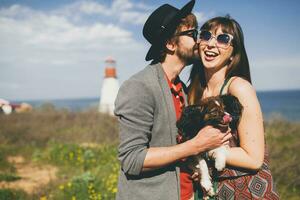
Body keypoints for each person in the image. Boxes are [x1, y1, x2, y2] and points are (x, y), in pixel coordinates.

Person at [114, 1, 232, 200]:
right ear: (170, 43)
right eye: (192, 34)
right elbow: (132, 160)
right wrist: (196, 145)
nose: (199, 42)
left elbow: (174, 147)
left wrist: (191, 164)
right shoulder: (139, 87)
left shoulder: (182, 90)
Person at [188, 15, 280, 199]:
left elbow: (253, 159)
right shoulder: (194, 91)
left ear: (233, 53)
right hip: (213, 191)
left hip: (246, 192)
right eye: (206, 36)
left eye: (223, 39)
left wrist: (201, 149)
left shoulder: (238, 88)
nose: (211, 44)